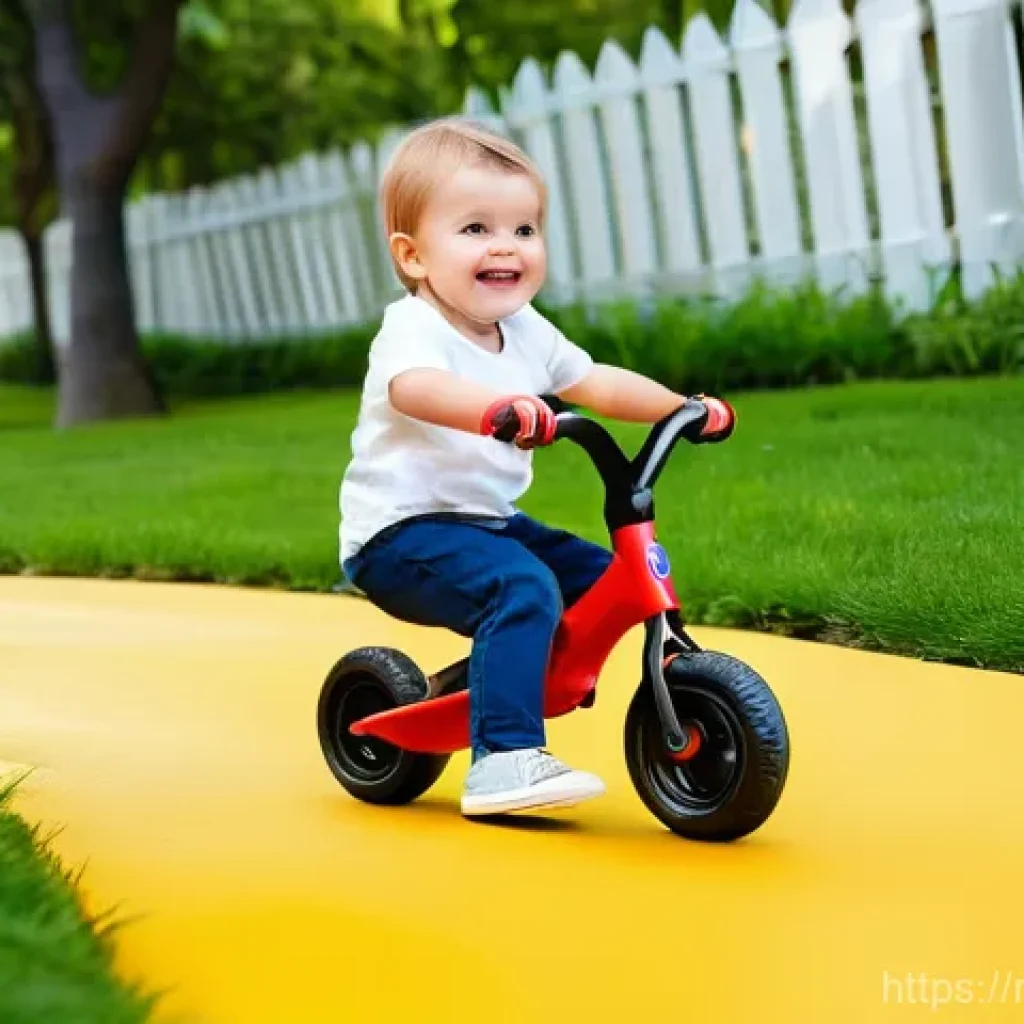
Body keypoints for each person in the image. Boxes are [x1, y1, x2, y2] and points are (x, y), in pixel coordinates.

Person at [339, 117, 691, 818]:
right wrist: (499, 407)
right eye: (474, 229)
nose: (505, 245)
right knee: (523, 587)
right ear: (413, 256)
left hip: (487, 523)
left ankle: (595, 678)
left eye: (524, 229)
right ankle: (502, 760)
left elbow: (597, 383)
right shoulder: (414, 327)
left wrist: (684, 407)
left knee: (601, 579)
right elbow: (415, 389)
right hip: (400, 535)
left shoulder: (528, 329)